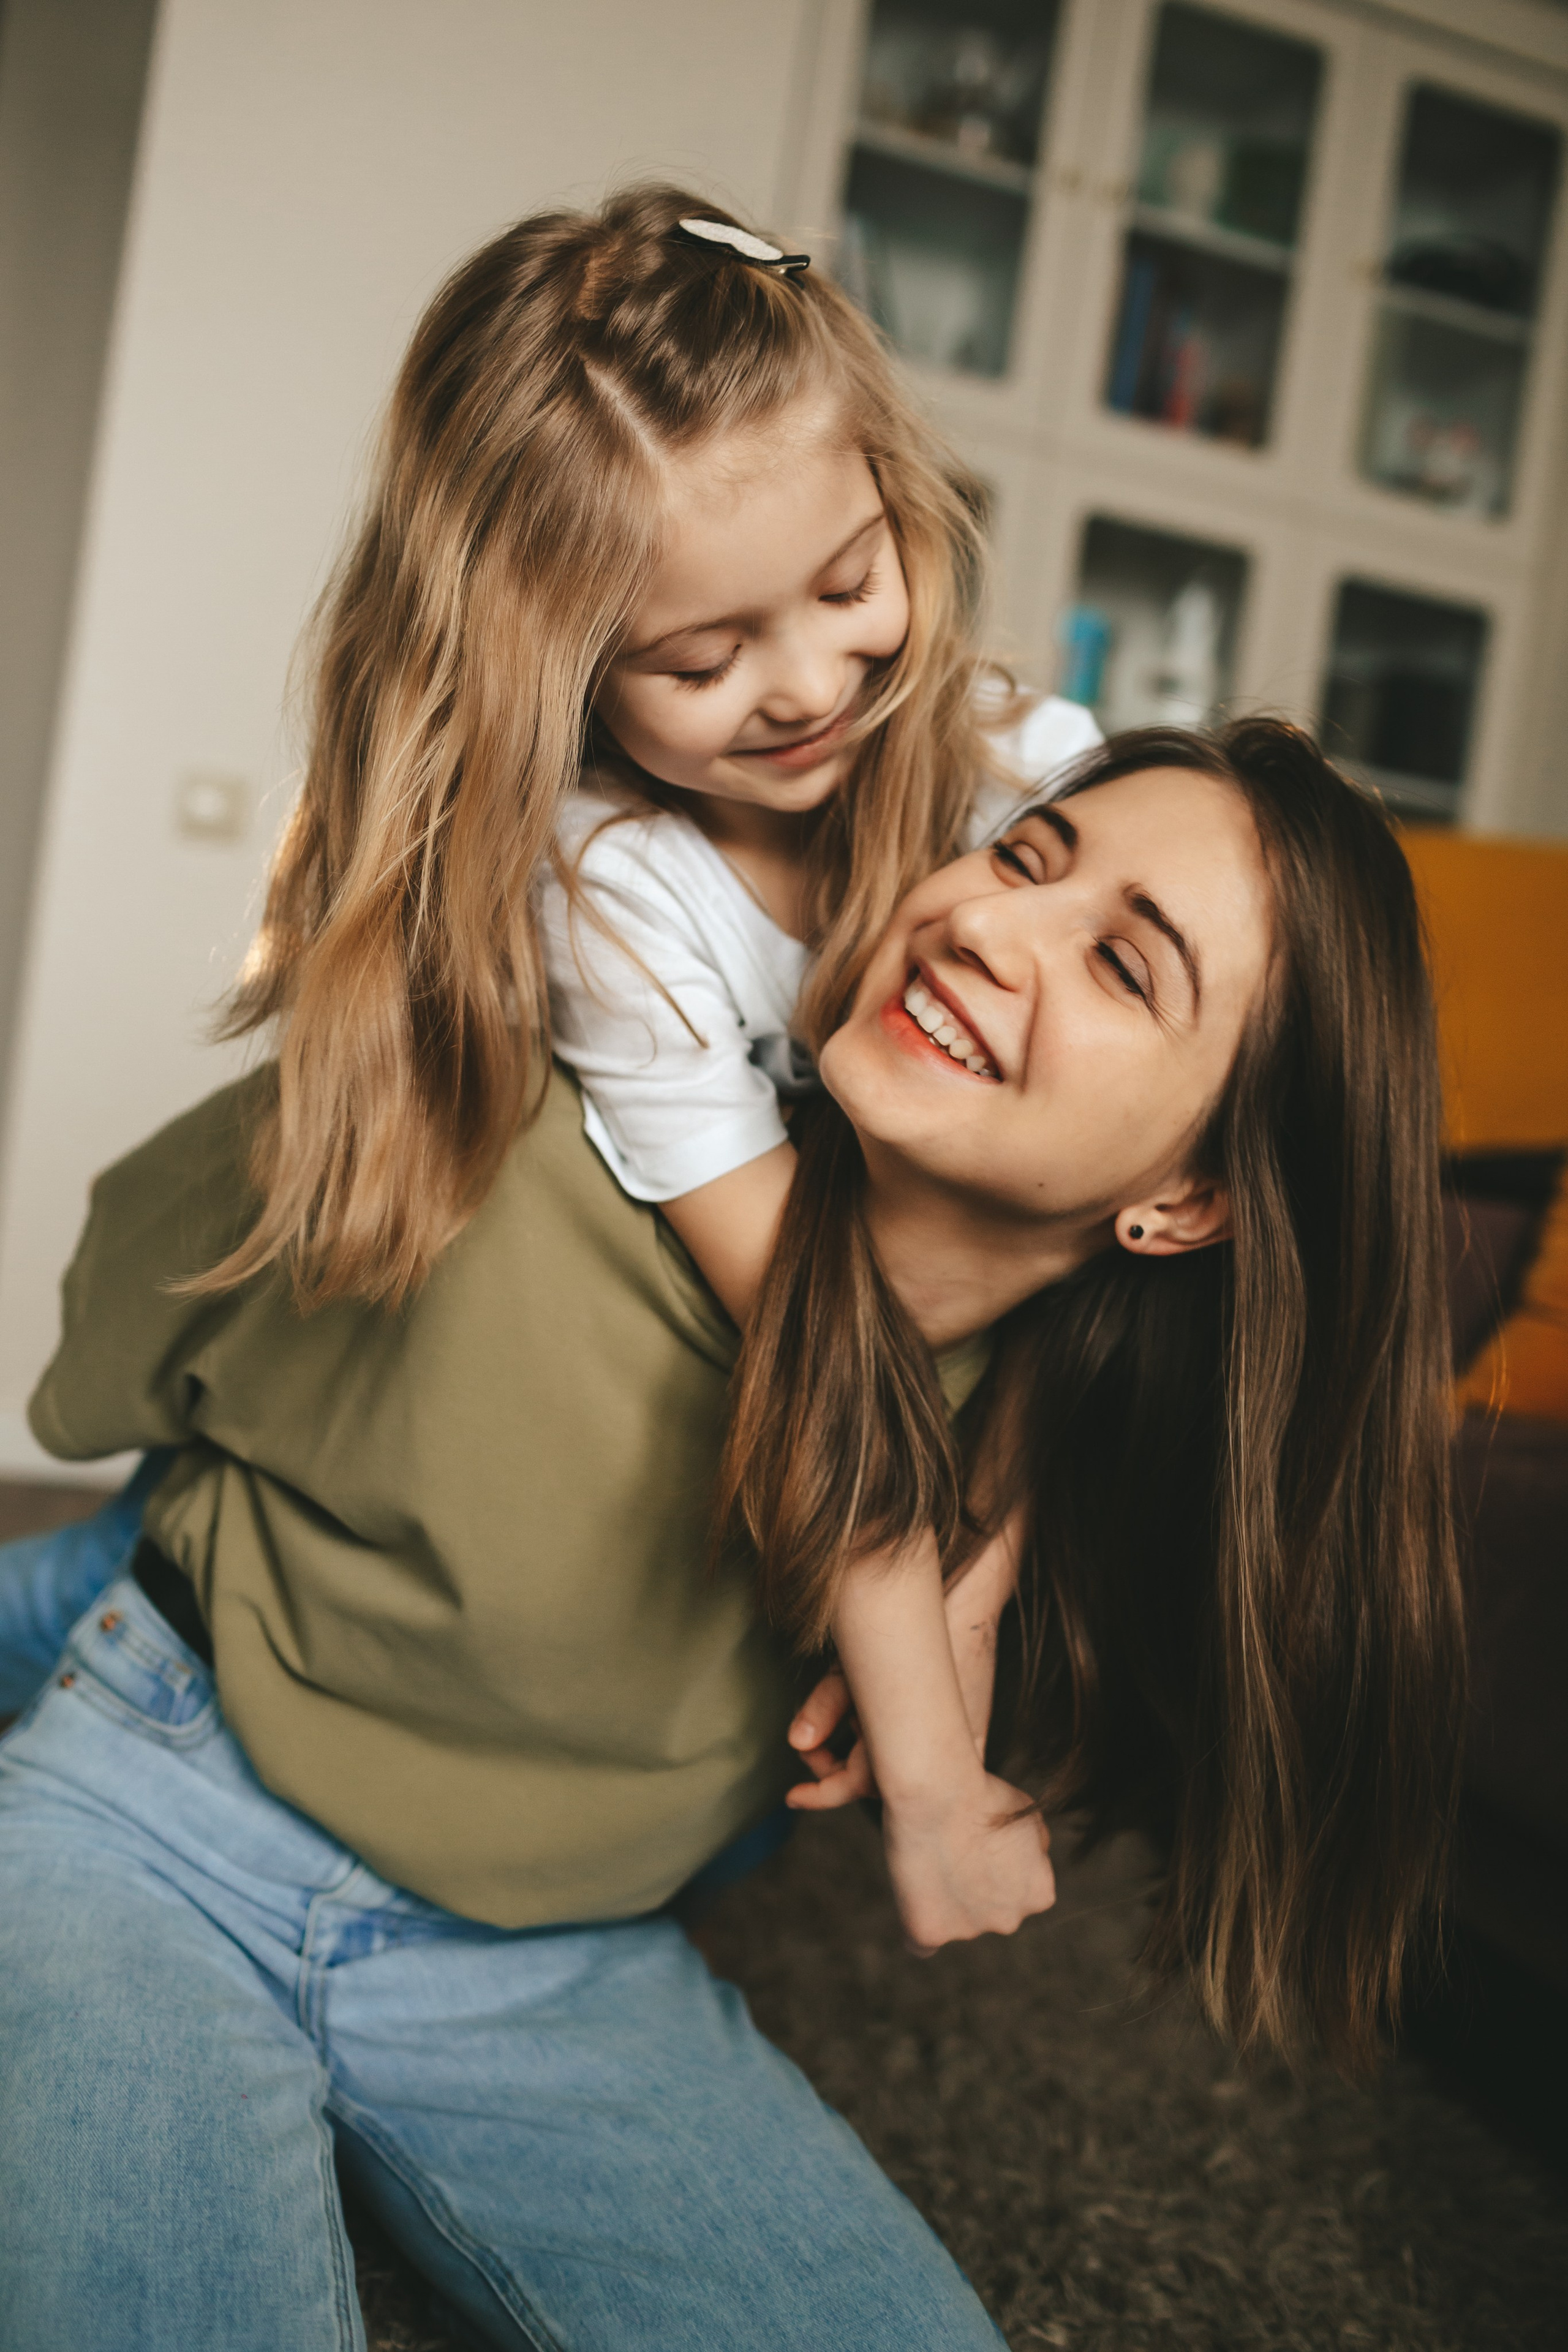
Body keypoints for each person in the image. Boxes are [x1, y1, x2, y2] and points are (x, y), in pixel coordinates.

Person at [0, 722, 1464, 2349]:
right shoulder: (522, 1132)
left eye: (1126, 966)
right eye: (1022, 857)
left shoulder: (1037, 1451)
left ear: (1187, 1205)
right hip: (167, 1798)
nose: (984, 921)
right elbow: (141, 1328)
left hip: (563, 1945)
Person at [0, 184, 1097, 1911]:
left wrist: (977, 1583)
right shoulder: (614, 886)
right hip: (414, 1434)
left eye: (847, 580)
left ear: (900, 498)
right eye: (704, 654)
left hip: (628, 1521)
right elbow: (832, 1329)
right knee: (127, 1596)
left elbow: (1115, 1247)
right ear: (563, 669)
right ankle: (111, 1598)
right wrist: (937, 1778)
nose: (814, 683)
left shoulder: (1034, 786)